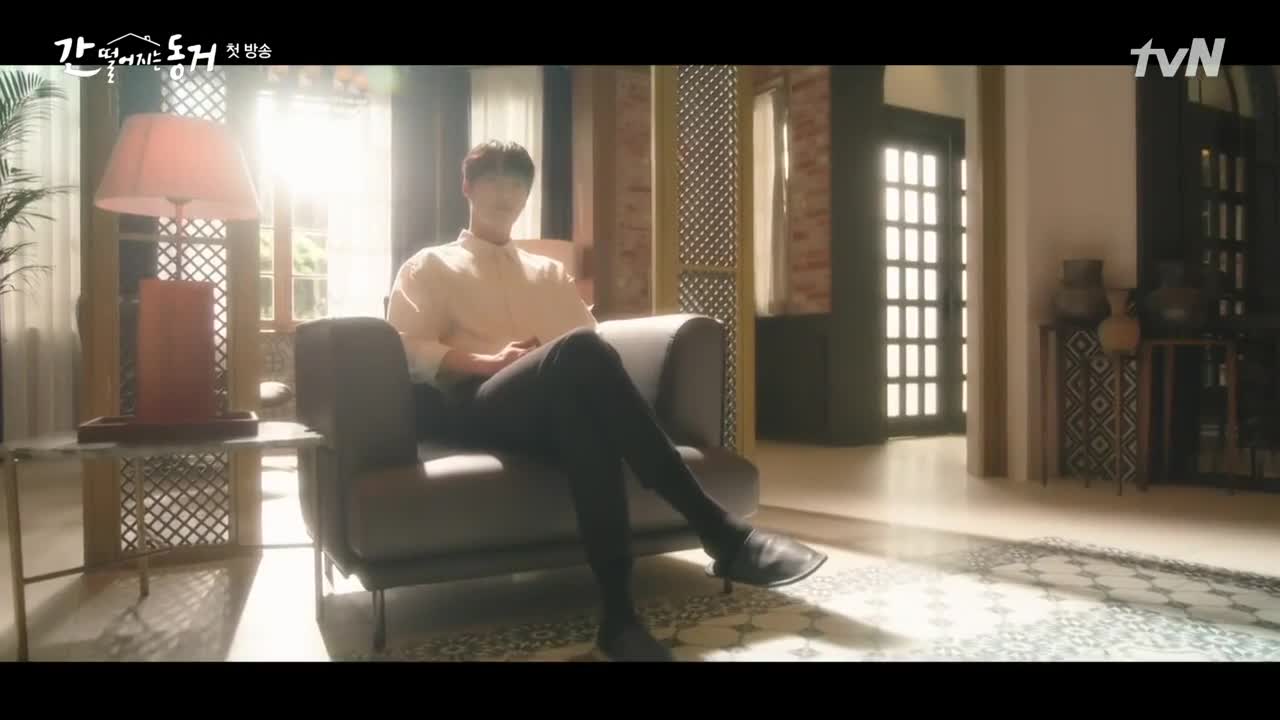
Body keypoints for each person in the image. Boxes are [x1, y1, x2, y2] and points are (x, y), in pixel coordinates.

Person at [386, 140, 827, 661]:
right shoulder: (430, 266)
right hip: (474, 404)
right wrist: (487, 362)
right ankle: (718, 530)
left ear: (527, 195)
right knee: (579, 351)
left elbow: (590, 351)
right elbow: (405, 347)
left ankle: (619, 620)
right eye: (493, 181)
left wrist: (557, 366)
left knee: (585, 417)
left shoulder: (548, 273)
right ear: (468, 187)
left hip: (547, 407)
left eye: (517, 184)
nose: (505, 195)